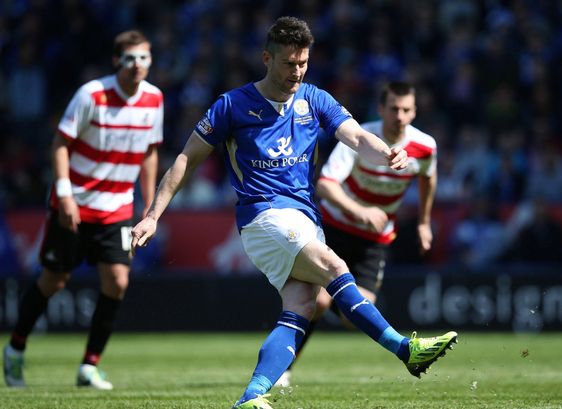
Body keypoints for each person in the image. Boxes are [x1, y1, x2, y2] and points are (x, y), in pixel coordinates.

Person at [131, 17, 457, 409]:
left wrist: (387, 154)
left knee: (301, 306)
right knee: (335, 267)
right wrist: (152, 214)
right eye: (289, 63)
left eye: (303, 63)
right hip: (264, 216)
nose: (297, 72)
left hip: (304, 219)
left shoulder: (314, 98)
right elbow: (185, 159)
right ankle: (405, 349)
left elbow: (355, 136)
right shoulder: (232, 105)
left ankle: (251, 398)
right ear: (267, 58)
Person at [3, 30, 163, 390]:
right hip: (75, 203)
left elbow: (151, 151)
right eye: (130, 58)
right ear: (116, 61)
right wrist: (65, 196)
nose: (137, 65)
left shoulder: (155, 99)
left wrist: (150, 208)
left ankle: (89, 365)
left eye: (144, 58)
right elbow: (60, 144)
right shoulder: (91, 95)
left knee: (118, 281)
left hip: (118, 206)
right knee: (54, 281)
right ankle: (14, 348)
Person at [276, 81, 438, 388]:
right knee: (316, 303)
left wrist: (424, 222)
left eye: (406, 110)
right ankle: (284, 368)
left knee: (355, 317)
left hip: (374, 241)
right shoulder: (363, 138)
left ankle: (338, 297)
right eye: (393, 108)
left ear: (415, 111)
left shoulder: (425, 146)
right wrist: (360, 211)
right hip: (334, 229)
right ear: (381, 109)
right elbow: (325, 184)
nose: (399, 116)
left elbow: (428, 176)